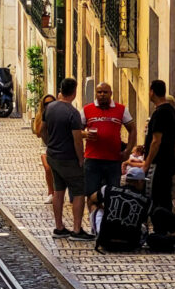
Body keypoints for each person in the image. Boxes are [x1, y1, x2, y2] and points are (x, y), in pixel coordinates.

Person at [41, 79, 92, 240]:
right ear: (74, 92)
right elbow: (77, 139)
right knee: (78, 192)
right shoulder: (73, 113)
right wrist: (81, 158)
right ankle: (77, 229)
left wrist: (49, 143)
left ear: (61, 90)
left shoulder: (49, 108)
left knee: (58, 191)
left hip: (53, 156)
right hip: (69, 158)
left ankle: (59, 227)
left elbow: (41, 130)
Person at [81, 82, 135, 209]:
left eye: (105, 92)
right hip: (92, 159)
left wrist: (128, 151)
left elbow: (132, 129)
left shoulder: (121, 109)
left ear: (111, 94)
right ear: (96, 94)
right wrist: (85, 134)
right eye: (99, 92)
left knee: (113, 194)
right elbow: (76, 130)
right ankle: (95, 223)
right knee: (91, 194)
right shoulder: (87, 109)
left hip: (113, 160)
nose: (102, 95)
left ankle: (110, 223)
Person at [90, 166, 152, 252]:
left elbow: (92, 199)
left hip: (106, 241)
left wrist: (104, 210)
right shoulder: (147, 201)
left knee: (94, 205)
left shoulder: (107, 189)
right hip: (130, 244)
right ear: (139, 181)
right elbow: (144, 221)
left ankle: (98, 233)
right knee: (144, 223)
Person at [142, 79, 175, 211]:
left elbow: (156, 141)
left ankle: (161, 229)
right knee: (164, 198)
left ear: (152, 92)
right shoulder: (170, 111)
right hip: (166, 163)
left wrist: (147, 163)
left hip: (158, 164)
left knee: (156, 197)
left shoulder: (160, 113)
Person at [32, 93, 56, 204]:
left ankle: (58, 192)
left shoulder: (58, 115)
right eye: (46, 104)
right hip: (45, 146)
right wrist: (44, 118)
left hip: (57, 145)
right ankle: (50, 192)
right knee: (47, 168)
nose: (49, 105)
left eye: (51, 103)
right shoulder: (41, 116)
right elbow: (37, 133)